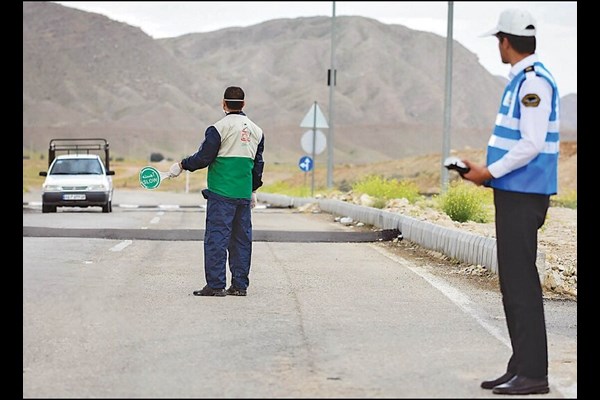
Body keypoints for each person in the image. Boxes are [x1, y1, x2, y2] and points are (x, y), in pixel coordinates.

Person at [460, 9, 559, 396]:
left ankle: (534, 373)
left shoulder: (534, 83)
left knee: (521, 284)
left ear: (505, 40)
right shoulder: (522, 80)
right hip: (514, 191)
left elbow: (531, 144)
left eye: (498, 40)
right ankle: (520, 366)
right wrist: (489, 173)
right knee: (513, 283)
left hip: (523, 193)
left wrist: (490, 172)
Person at [169, 86, 265, 297]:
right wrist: (253, 190)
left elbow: (204, 157)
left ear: (223, 104)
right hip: (242, 195)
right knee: (241, 240)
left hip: (222, 194)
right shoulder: (257, 131)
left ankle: (216, 285)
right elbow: (258, 165)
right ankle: (240, 286)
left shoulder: (218, 128)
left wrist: (182, 165)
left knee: (217, 238)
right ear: (243, 104)